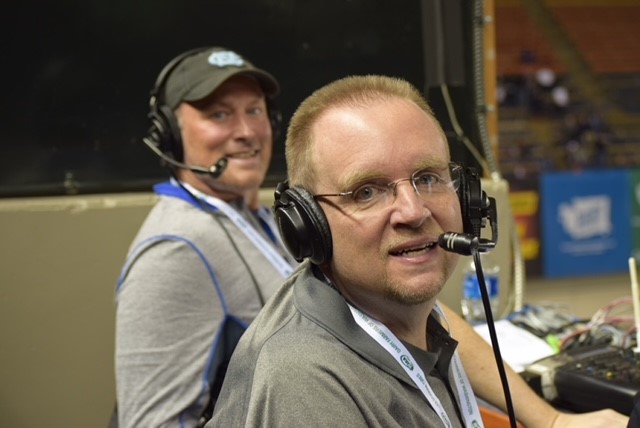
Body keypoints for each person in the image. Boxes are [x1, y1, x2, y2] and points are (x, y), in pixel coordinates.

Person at [209, 75, 629, 427]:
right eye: (367, 191)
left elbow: (448, 325)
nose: (414, 211)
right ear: (308, 225)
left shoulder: (391, 307)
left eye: (428, 178)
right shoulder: (305, 385)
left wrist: (553, 421)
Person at [114, 47, 297, 427]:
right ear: (169, 135)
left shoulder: (259, 219)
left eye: (255, 110)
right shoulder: (174, 251)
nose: (247, 132)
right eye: (219, 114)